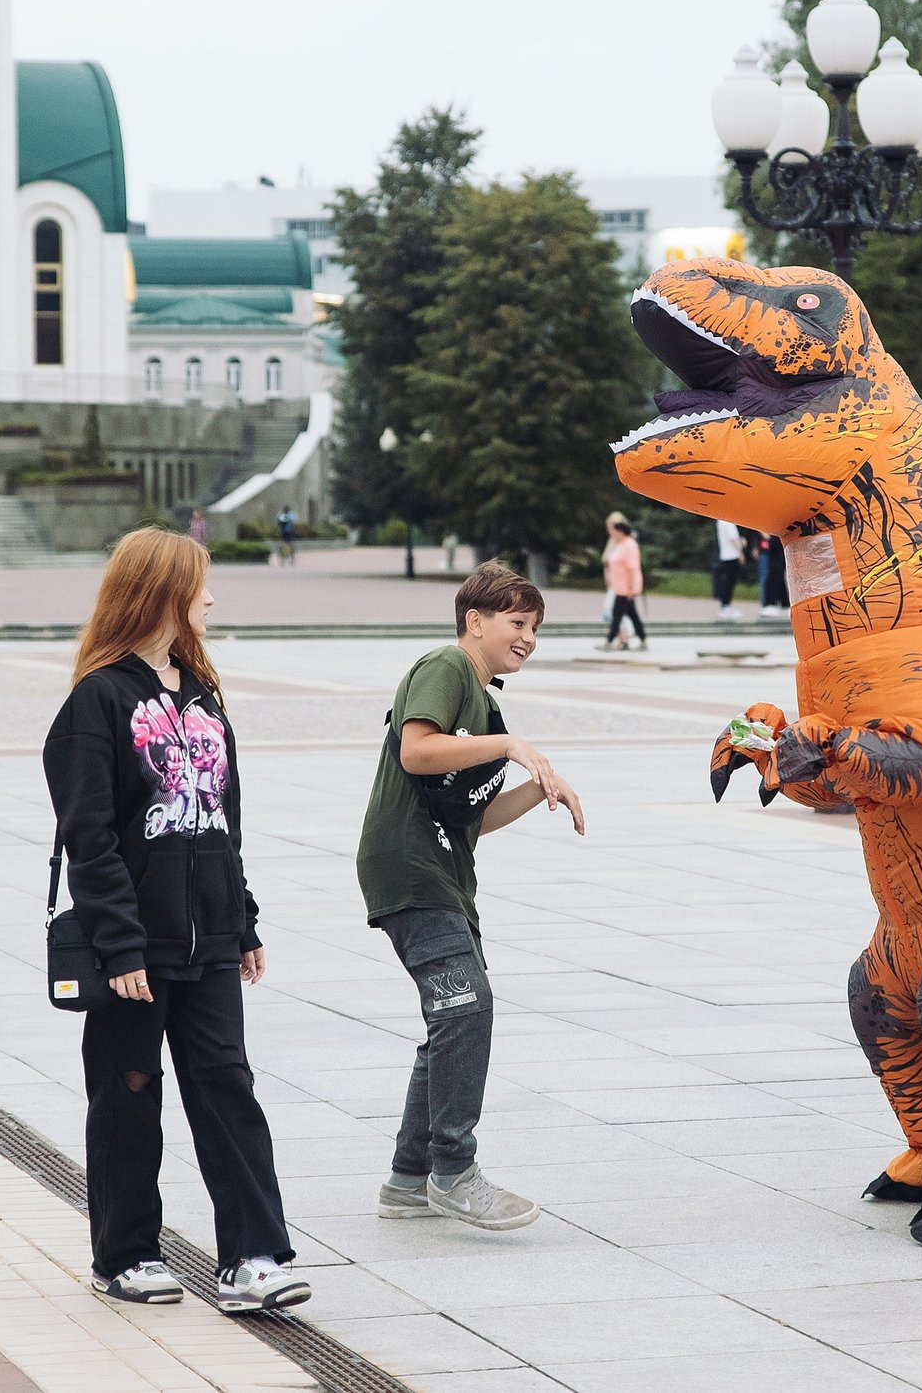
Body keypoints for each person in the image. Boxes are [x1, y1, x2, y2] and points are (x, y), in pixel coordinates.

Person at [42, 530, 309, 1315]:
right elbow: (89, 835)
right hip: (134, 948)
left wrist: (243, 919)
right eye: (200, 586)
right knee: (128, 1095)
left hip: (210, 940)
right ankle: (125, 1254)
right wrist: (120, 942)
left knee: (229, 1087)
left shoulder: (201, 693)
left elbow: (222, 821)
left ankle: (253, 1257)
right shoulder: (98, 699)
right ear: (160, 592)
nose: (211, 599)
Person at [357, 564, 585, 1232]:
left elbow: (472, 820)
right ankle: (453, 1172)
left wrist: (538, 788)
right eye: (517, 622)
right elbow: (417, 750)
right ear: (475, 621)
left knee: (451, 1015)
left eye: (535, 627)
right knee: (466, 1006)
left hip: (444, 871)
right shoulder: (448, 666)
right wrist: (510, 746)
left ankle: (408, 1180)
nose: (528, 637)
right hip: (410, 868)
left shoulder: (485, 702)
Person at [601, 513, 646, 651]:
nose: (611, 533)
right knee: (632, 615)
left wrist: (631, 588)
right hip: (619, 586)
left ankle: (609, 641)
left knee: (616, 615)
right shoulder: (619, 544)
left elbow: (632, 568)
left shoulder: (629, 545)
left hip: (625, 588)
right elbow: (607, 560)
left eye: (613, 530)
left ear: (620, 531)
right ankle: (642, 639)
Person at [711, 521, 747, 621]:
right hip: (732, 555)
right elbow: (733, 538)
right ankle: (726, 606)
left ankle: (725, 606)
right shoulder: (728, 522)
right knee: (730, 582)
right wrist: (740, 552)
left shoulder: (720, 522)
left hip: (725, 554)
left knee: (727, 582)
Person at [759, 533, 790, 619]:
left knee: (775, 576)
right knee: (778, 577)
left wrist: (768, 537)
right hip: (775, 551)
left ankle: (773, 603)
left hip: (777, 546)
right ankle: (783, 604)